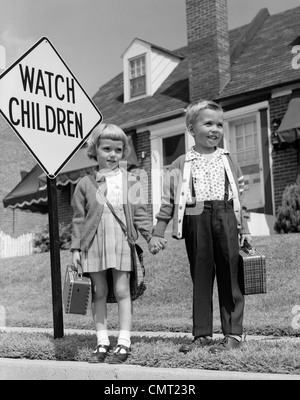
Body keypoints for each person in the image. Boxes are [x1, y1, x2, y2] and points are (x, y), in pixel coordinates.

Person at [149, 99, 252, 354]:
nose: (215, 129)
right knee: (201, 276)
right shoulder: (181, 163)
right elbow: (169, 201)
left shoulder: (229, 160)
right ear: (191, 128)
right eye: (208, 123)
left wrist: (245, 229)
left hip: (226, 216)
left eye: (220, 124)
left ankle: (233, 335)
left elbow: (240, 199)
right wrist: (158, 230)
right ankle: (202, 334)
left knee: (230, 276)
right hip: (196, 218)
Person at [70, 123, 155, 364]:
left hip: (121, 240)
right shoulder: (85, 183)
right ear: (95, 150)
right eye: (106, 148)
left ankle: (124, 342)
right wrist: (76, 248)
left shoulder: (131, 180)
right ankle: (102, 341)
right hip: (94, 241)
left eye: (118, 149)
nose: (113, 154)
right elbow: (78, 218)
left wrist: (149, 236)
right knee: (99, 291)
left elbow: (139, 213)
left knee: (122, 290)